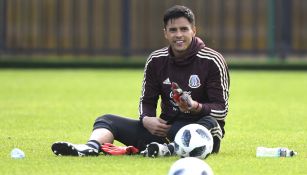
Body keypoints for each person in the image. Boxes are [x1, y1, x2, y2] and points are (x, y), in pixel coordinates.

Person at [51, 5, 229, 157]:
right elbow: (147, 100)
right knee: (106, 120)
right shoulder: (156, 60)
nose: (179, 35)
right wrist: (147, 120)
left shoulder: (212, 60)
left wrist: (195, 106)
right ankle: (90, 148)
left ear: (194, 31)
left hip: (202, 133)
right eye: (173, 30)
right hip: (166, 130)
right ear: (165, 33)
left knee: (210, 124)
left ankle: (168, 150)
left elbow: (221, 109)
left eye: (184, 29)